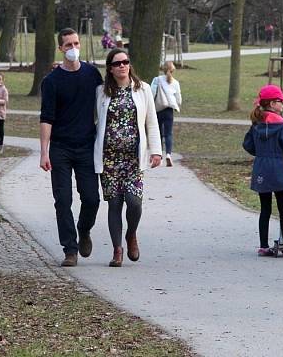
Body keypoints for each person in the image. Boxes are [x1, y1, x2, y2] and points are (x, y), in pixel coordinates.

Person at [39, 28, 103, 267]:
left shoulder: (92, 75)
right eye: (68, 45)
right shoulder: (52, 81)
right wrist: (44, 151)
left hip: (87, 145)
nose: (73, 48)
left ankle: (83, 229)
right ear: (61, 49)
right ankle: (70, 249)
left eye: (76, 43)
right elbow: (46, 118)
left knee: (92, 198)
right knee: (62, 200)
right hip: (60, 148)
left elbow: (104, 104)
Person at [95, 49, 162, 267]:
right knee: (114, 204)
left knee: (134, 202)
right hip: (109, 159)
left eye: (125, 62)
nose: (122, 66)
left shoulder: (142, 89)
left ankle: (131, 234)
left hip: (134, 159)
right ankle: (117, 250)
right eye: (117, 63)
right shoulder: (101, 92)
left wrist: (156, 151)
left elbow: (151, 121)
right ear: (110, 68)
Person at [243, 84, 283, 258]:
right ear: (271, 103)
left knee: (265, 209)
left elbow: (247, 144)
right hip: (278, 168)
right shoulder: (282, 124)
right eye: (280, 101)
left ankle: (263, 246)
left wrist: (261, 154)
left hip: (261, 168)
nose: (282, 105)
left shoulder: (256, 123)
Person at [150, 61, 182, 167]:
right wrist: (177, 105)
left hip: (158, 109)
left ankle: (160, 157)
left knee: (158, 133)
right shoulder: (175, 83)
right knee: (168, 133)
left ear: (163, 69)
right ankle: (168, 154)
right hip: (169, 111)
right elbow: (179, 99)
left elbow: (152, 93)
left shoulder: (157, 80)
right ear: (173, 70)